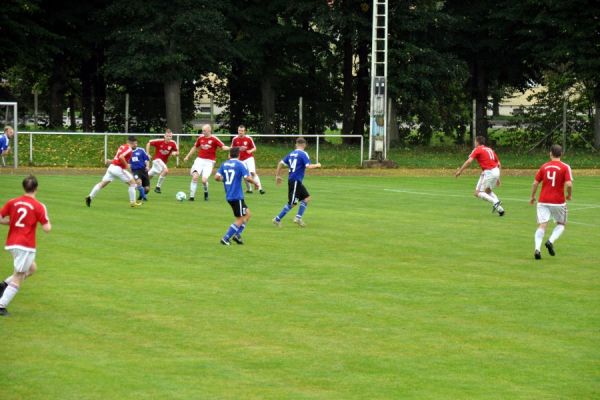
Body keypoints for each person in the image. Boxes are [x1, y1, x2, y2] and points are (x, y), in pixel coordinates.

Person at [0, 175, 52, 316]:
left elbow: (0, 218)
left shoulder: (13, 202)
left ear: (24, 187)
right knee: (19, 276)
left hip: (12, 243)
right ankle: (1, 305)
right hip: (25, 245)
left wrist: (12, 222)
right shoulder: (39, 206)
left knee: (32, 268)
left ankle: (3, 285)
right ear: (36, 188)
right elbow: (47, 228)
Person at [529, 144, 573, 260]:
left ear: (550, 153)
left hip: (543, 200)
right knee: (561, 224)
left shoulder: (544, 166)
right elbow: (569, 184)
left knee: (542, 225)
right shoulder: (565, 167)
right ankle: (550, 241)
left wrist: (532, 196)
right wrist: (569, 194)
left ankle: (537, 249)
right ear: (561, 154)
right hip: (558, 201)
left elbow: (535, 183)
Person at [272, 137, 321, 228]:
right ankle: (277, 219)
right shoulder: (303, 154)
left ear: (296, 144)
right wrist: (317, 165)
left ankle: (298, 218)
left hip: (295, 180)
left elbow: (280, 163)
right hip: (295, 180)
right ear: (304, 145)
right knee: (292, 203)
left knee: (306, 198)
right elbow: (308, 166)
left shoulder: (291, 153)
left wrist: (277, 176)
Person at [215, 147, 257, 245]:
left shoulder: (224, 164)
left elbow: (216, 177)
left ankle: (237, 235)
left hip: (230, 195)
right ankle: (225, 238)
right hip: (236, 195)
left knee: (248, 214)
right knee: (240, 219)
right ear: (239, 155)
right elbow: (247, 178)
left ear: (229, 155)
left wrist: (225, 180)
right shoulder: (240, 164)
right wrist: (256, 183)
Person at [85, 135, 142, 208]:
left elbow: (117, 157)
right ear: (130, 142)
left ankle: (90, 197)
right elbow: (121, 157)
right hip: (118, 169)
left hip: (111, 167)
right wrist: (126, 166)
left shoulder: (122, 146)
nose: (136, 145)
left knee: (102, 184)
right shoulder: (129, 149)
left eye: (136, 143)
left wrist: (111, 161)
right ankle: (133, 203)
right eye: (135, 143)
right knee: (133, 183)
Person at [455, 136, 505, 216]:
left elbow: (469, 161)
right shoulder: (489, 149)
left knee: (478, 193)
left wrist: (460, 171)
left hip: (488, 172)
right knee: (488, 191)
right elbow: (499, 163)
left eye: (475, 141)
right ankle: (500, 210)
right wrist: (498, 178)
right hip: (496, 171)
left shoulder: (477, 149)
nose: (474, 143)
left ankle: (496, 201)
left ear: (477, 142)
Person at [183, 124, 230, 201]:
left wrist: (229, 148)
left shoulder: (214, 139)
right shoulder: (200, 138)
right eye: (202, 130)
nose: (203, 132)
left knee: (204, 181)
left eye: (204, 130)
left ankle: (206, 192)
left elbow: (223, 146)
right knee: (195, 177)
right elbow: (195, 147)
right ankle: (191, 197)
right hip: (199, 160)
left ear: (209, 130)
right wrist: (187, 156)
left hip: (209, 162)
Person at [231, 125, 265, 194]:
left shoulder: (249, 139)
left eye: (242, 131)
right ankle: (249, 189)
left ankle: (260, 188)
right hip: (240, 160)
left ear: (245, 131)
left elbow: (254, 148)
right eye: (239, 131)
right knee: (245, 174)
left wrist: (250, 151)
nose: (240, 132)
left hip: (249, 158)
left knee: (252, 172)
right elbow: (232, 148)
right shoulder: (235, 139)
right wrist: (230, 156)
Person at [146, 128, 179, 194]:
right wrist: (147, 153)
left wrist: (175, 153)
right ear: (164, 136)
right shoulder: (159, 141)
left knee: (148, 177)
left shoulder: (173, 143)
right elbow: (148, 143)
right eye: (167, 136)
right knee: (165, 170)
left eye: (170, 136)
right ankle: (158, 187)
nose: (169, 138)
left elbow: (177, 152)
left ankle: (138, 184)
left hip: (162, 163)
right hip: (157, 160)